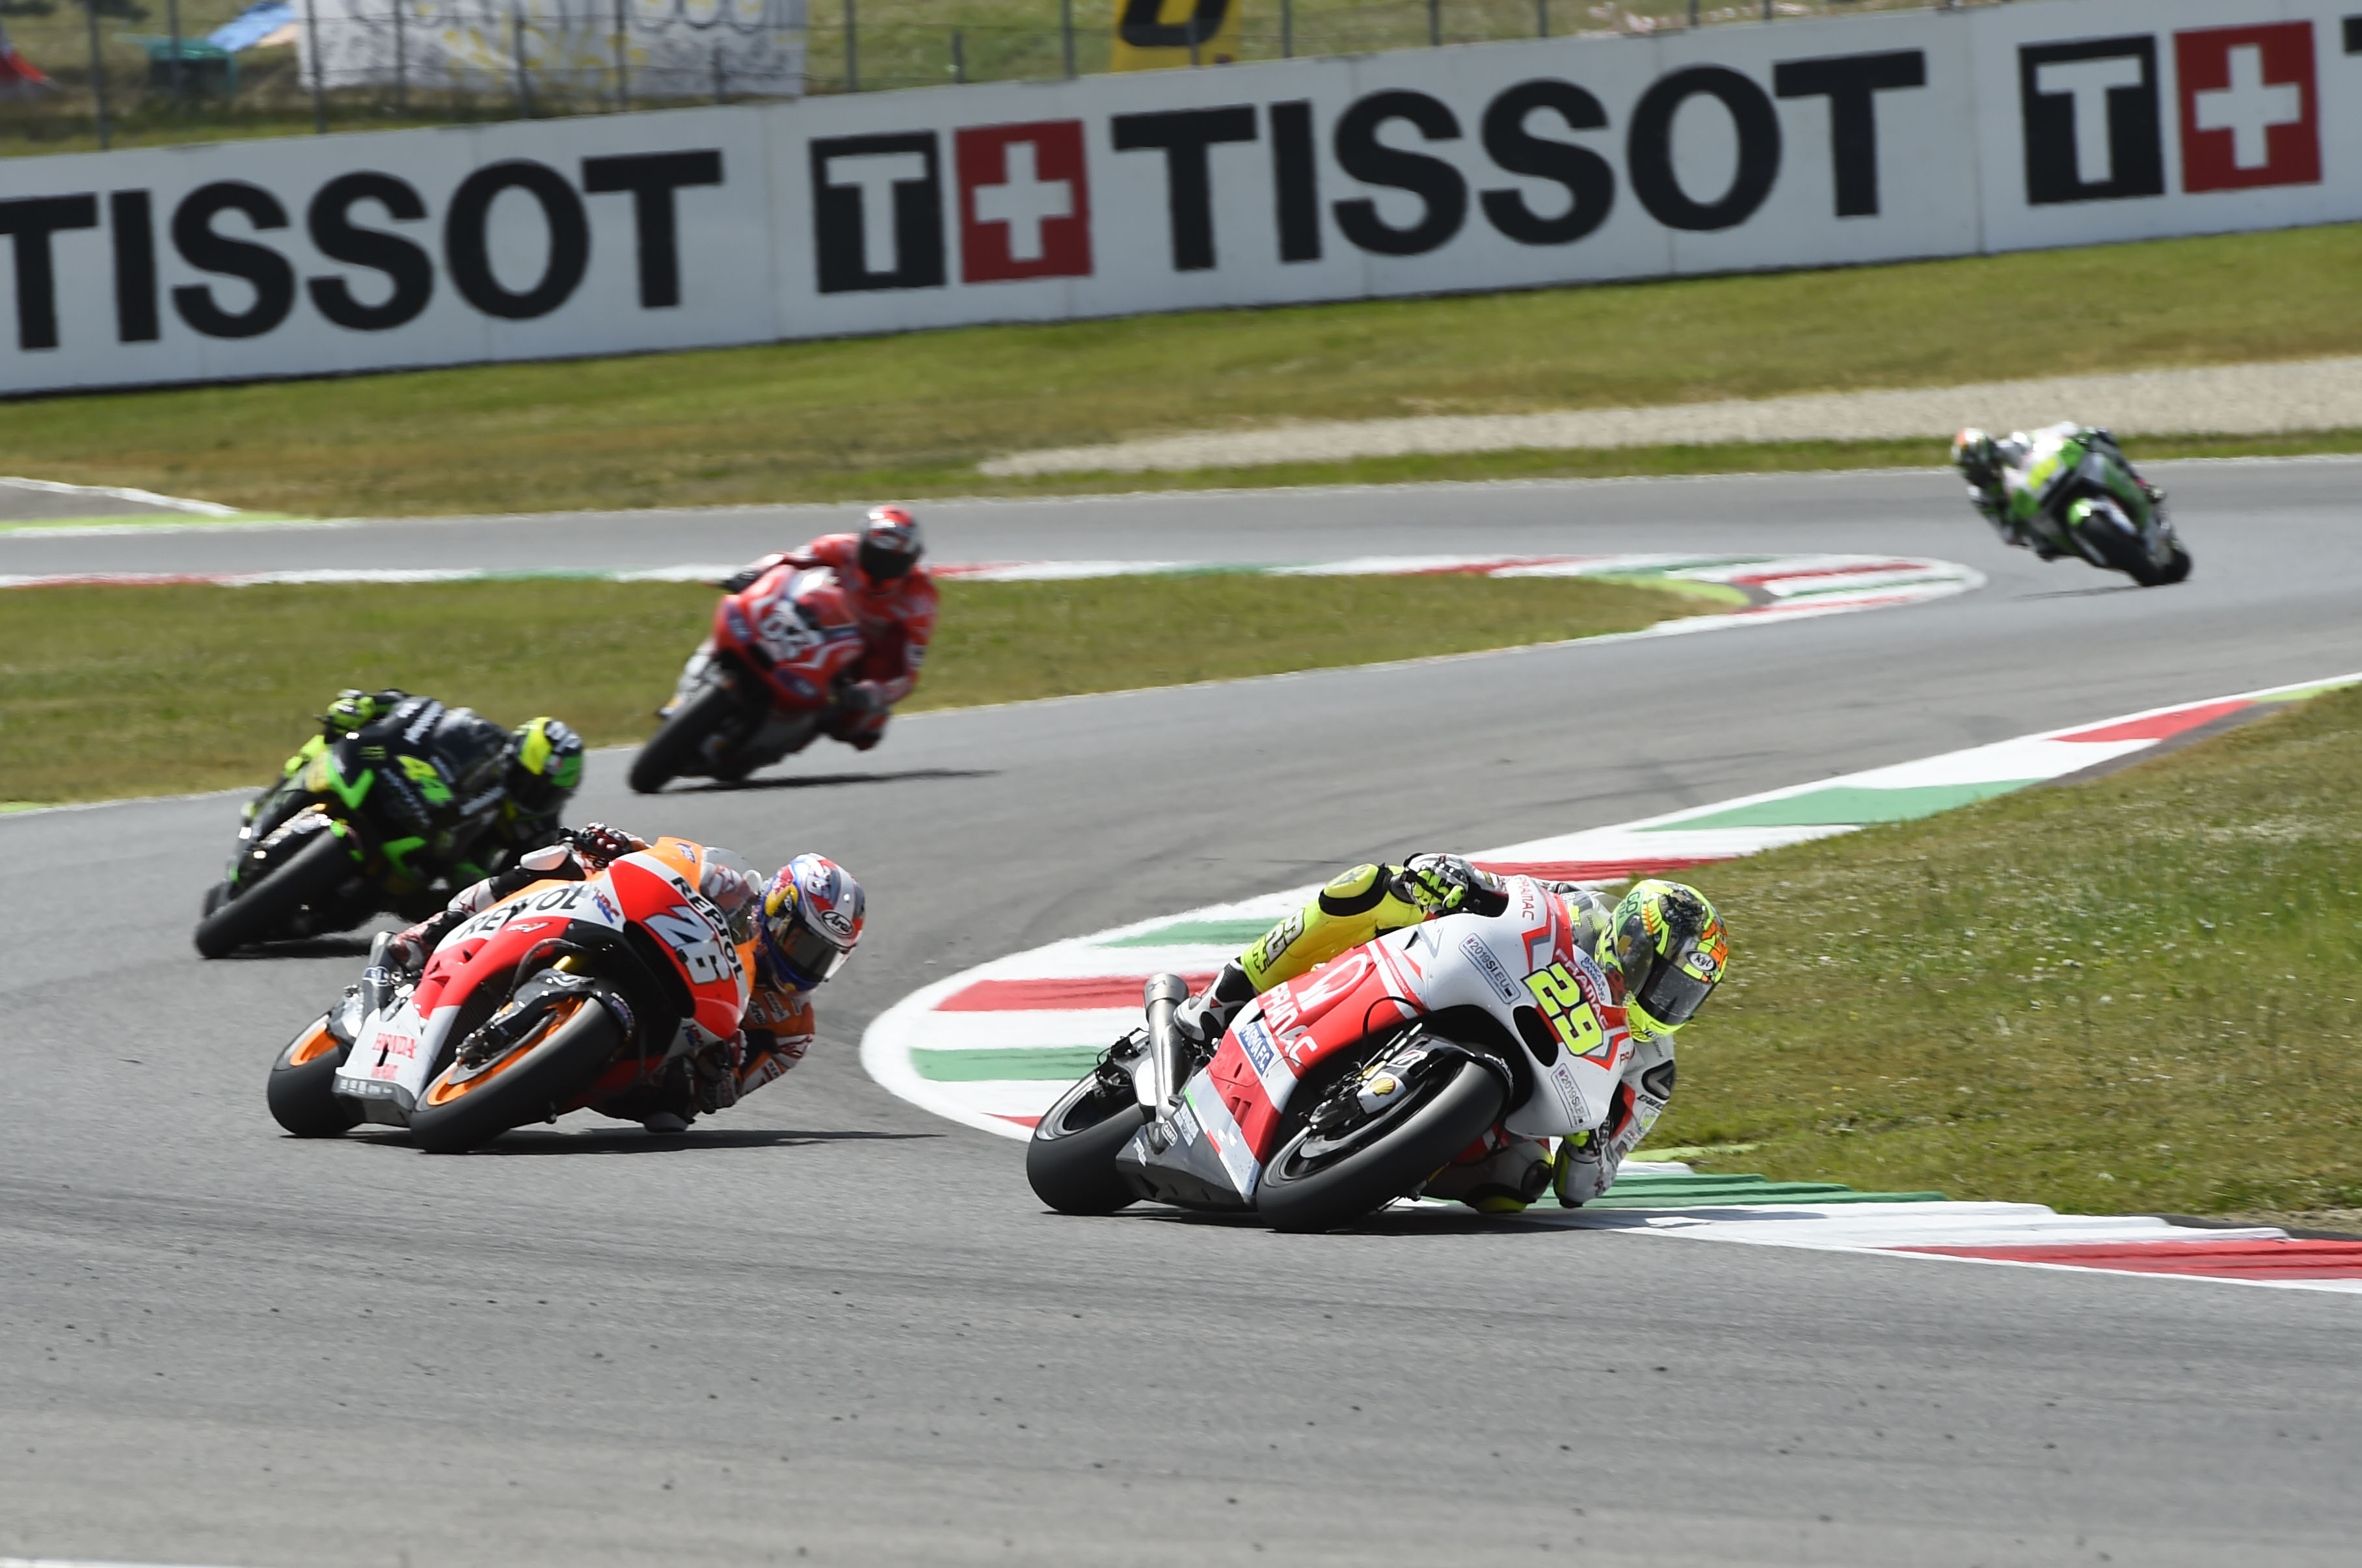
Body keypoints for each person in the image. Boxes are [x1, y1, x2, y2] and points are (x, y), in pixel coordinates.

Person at [1169, 855, 1728, 1214]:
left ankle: (1381, 1159)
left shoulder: (1651, 1065)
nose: (1662, 999)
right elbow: (1506, 890)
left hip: (1524, 1092)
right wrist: (1453, 877)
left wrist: (1594, 1140)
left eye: (1681, 994)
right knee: (1370, 887)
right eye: (1658, 976)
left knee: (1515, 1185)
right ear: (1628, 941)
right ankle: (1226, 992)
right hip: (1469, 980)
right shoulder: (1580, 911)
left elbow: (1579, 1187)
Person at [383, 824, 865, 1131]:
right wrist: (614, 845)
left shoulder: (791, 1030)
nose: (807, 965)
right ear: (777, 912)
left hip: (658, 1062)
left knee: (669, 1114)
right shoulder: (733, 888)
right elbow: (664, 866)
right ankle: (431, 934)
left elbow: (723, 1096)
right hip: (650, 950)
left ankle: (530, 1079)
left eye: (824, 958)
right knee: (558, 864)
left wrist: (722, 1069)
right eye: (805, 945)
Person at [280, 689, 584, 887]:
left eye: (547, 794)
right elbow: (416, 712)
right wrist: (366, 704)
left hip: (430, 876)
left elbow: (520, 887)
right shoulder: (480, 737)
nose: (534, 798)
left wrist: (477, 879)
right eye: (529, 783)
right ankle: (278, 795)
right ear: (513, 758)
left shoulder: (539, 833)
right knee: (333, 739)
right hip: (410, 805)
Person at [715, 505, 938, 751]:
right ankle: (698, 678)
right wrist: (753, 572)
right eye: (874, 556)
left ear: (911, 560)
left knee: (866, 724)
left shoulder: (920, 599)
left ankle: (788, 734)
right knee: (744, 608)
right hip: (813, 621)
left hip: (856, 661)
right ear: (861, 544)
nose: (880, 569)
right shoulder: (841, 546)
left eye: (891, 562)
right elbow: (790, 560)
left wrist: (874, 692)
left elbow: (908, 670)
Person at [1952, 423, 2167, 560]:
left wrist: (2077, 434)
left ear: (1994, 453)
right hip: (2035, 516)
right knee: (2042, 547)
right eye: (1976, 473)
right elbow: (2006, 534)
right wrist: (2014, 521)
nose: (1985, 475)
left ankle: (2140, 484)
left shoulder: (2017, 443)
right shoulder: (1981, 497)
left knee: (2100, 437)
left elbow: (2053, 434)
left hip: (2056, 479)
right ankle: (2087, 547)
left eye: (1985, 466)